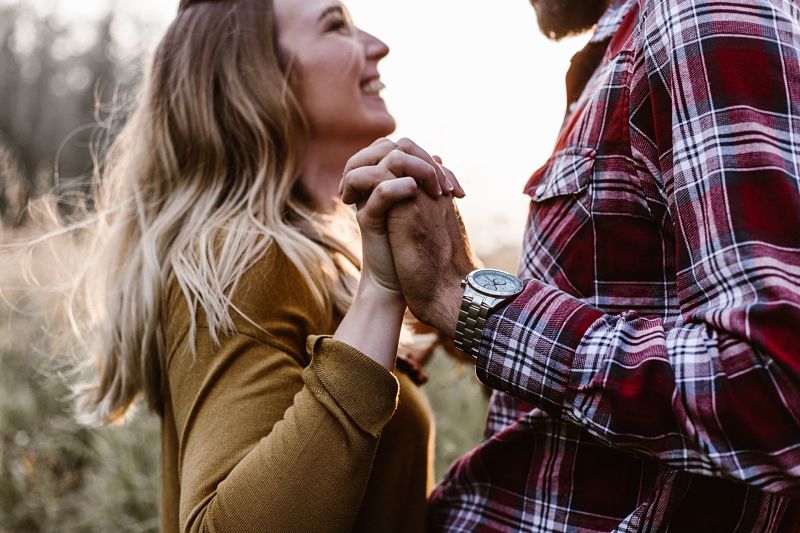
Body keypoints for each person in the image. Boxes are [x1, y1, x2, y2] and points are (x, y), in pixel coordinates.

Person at [341, 0, 800, 530]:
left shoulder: (700, 17)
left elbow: (771, 384)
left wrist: (464, 299)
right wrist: (462, 293)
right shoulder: (632, 49)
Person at [64, 0, 463, 531]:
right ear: (258, 78)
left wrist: (448, 277)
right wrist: (380, 295)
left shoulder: (313, 259)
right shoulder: (244, 260)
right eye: (335, 24)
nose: (376, 44)